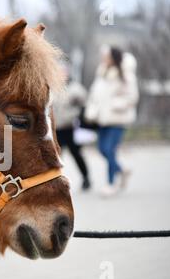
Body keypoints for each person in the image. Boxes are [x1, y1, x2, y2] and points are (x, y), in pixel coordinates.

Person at [85, 46, 139, 197]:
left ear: (114, 57)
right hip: (102, 119)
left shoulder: (126, 75)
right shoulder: (102, 73)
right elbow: (95, 95)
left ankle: (110, 184)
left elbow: (132, 97)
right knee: (102, 149)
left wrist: (114, 105)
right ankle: (122, 171)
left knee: (109, 150)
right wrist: (93, 109)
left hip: (117, 119)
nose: (104, 59)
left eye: (107, 56)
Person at [54, 68, 91, 191]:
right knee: (56, 157)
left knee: (76, 154)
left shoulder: (76, 89)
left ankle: (86, 178)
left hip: (70, 127)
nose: (61, 74)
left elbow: (85, 106)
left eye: (63, 72)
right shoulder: (53, 87)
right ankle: (55, 181)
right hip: (57, 128)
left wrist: (79, 116)